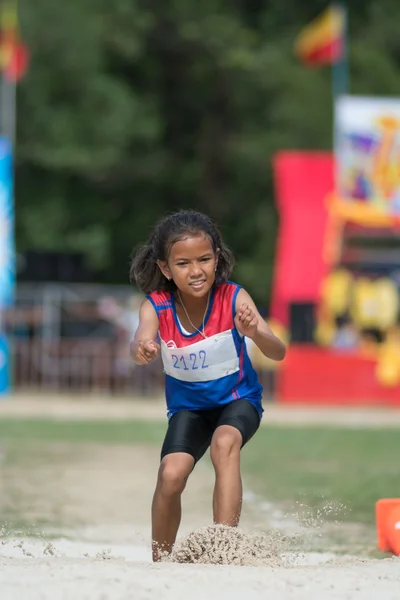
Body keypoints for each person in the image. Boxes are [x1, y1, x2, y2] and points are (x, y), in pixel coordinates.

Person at [129, 210, 286, 561]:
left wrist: (256, 332)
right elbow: (139, 339)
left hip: (238, 401)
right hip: (189, 411)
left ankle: (223, 548)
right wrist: (143, 349)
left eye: (204, 259)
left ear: (217, 257)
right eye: (183, 263)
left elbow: (277, 351)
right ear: (166, 269)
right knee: (171, 474)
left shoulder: (233, 297)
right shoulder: (157, 306)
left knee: (224, 442)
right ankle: (161, 559)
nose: (196, 270)